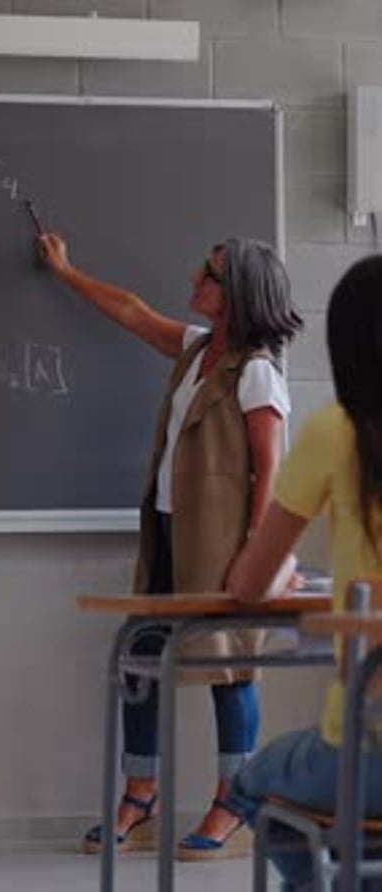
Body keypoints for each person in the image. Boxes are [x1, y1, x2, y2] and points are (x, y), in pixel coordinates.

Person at [39, 231, 303, 858]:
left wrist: (253, 553)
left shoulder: (258, 374)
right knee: (140, 658)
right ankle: (142, 794)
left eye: (209, 276)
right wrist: (66, 272)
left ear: (235, 293)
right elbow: (132, 311)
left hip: (224, 550)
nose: (195, 280)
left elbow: (271, 471)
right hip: (168, 538)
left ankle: (234, 803)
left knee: (230, 667)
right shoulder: (195, 351)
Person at [224, 254, 382, 890]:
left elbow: (247, 585)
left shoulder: (337, 433)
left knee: (252, 781)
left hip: (368, 756)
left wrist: (285, 568)